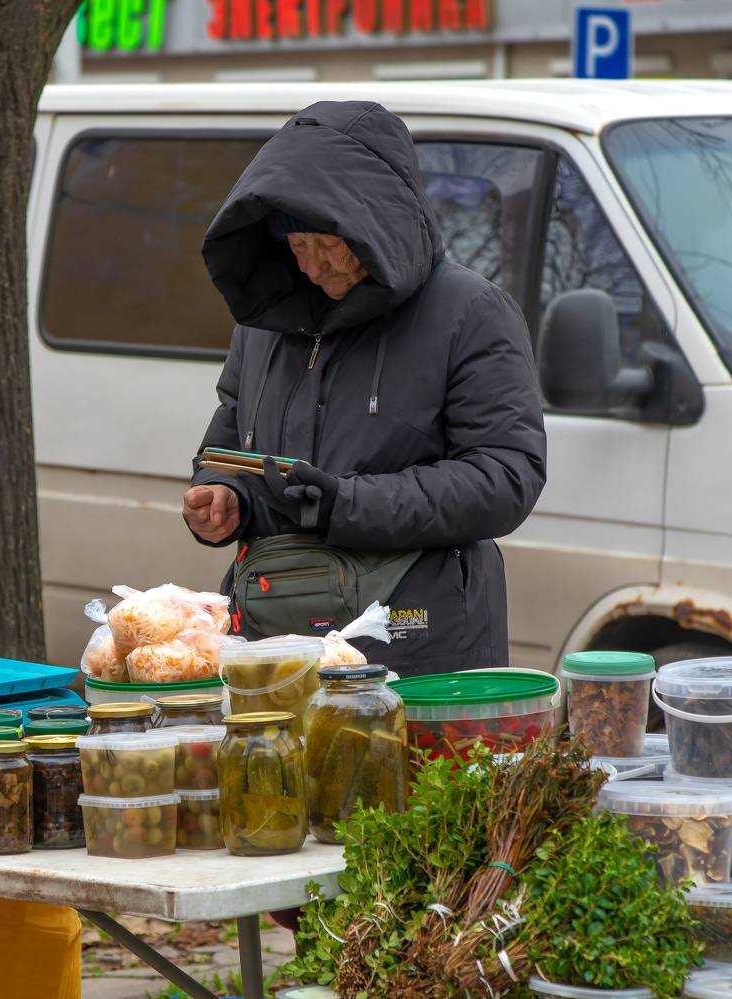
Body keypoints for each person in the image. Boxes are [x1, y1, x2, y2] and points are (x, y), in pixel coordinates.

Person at [183, 100, 546, 675]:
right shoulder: (263, 323)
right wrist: (224, 493)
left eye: (328, 243)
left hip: (416, 652)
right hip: (273, 649)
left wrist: (346, 504)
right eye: (296, 246)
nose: (311, 267)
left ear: (377, 223)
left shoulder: (471, 312)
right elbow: (232, 438)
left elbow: (505, 477)